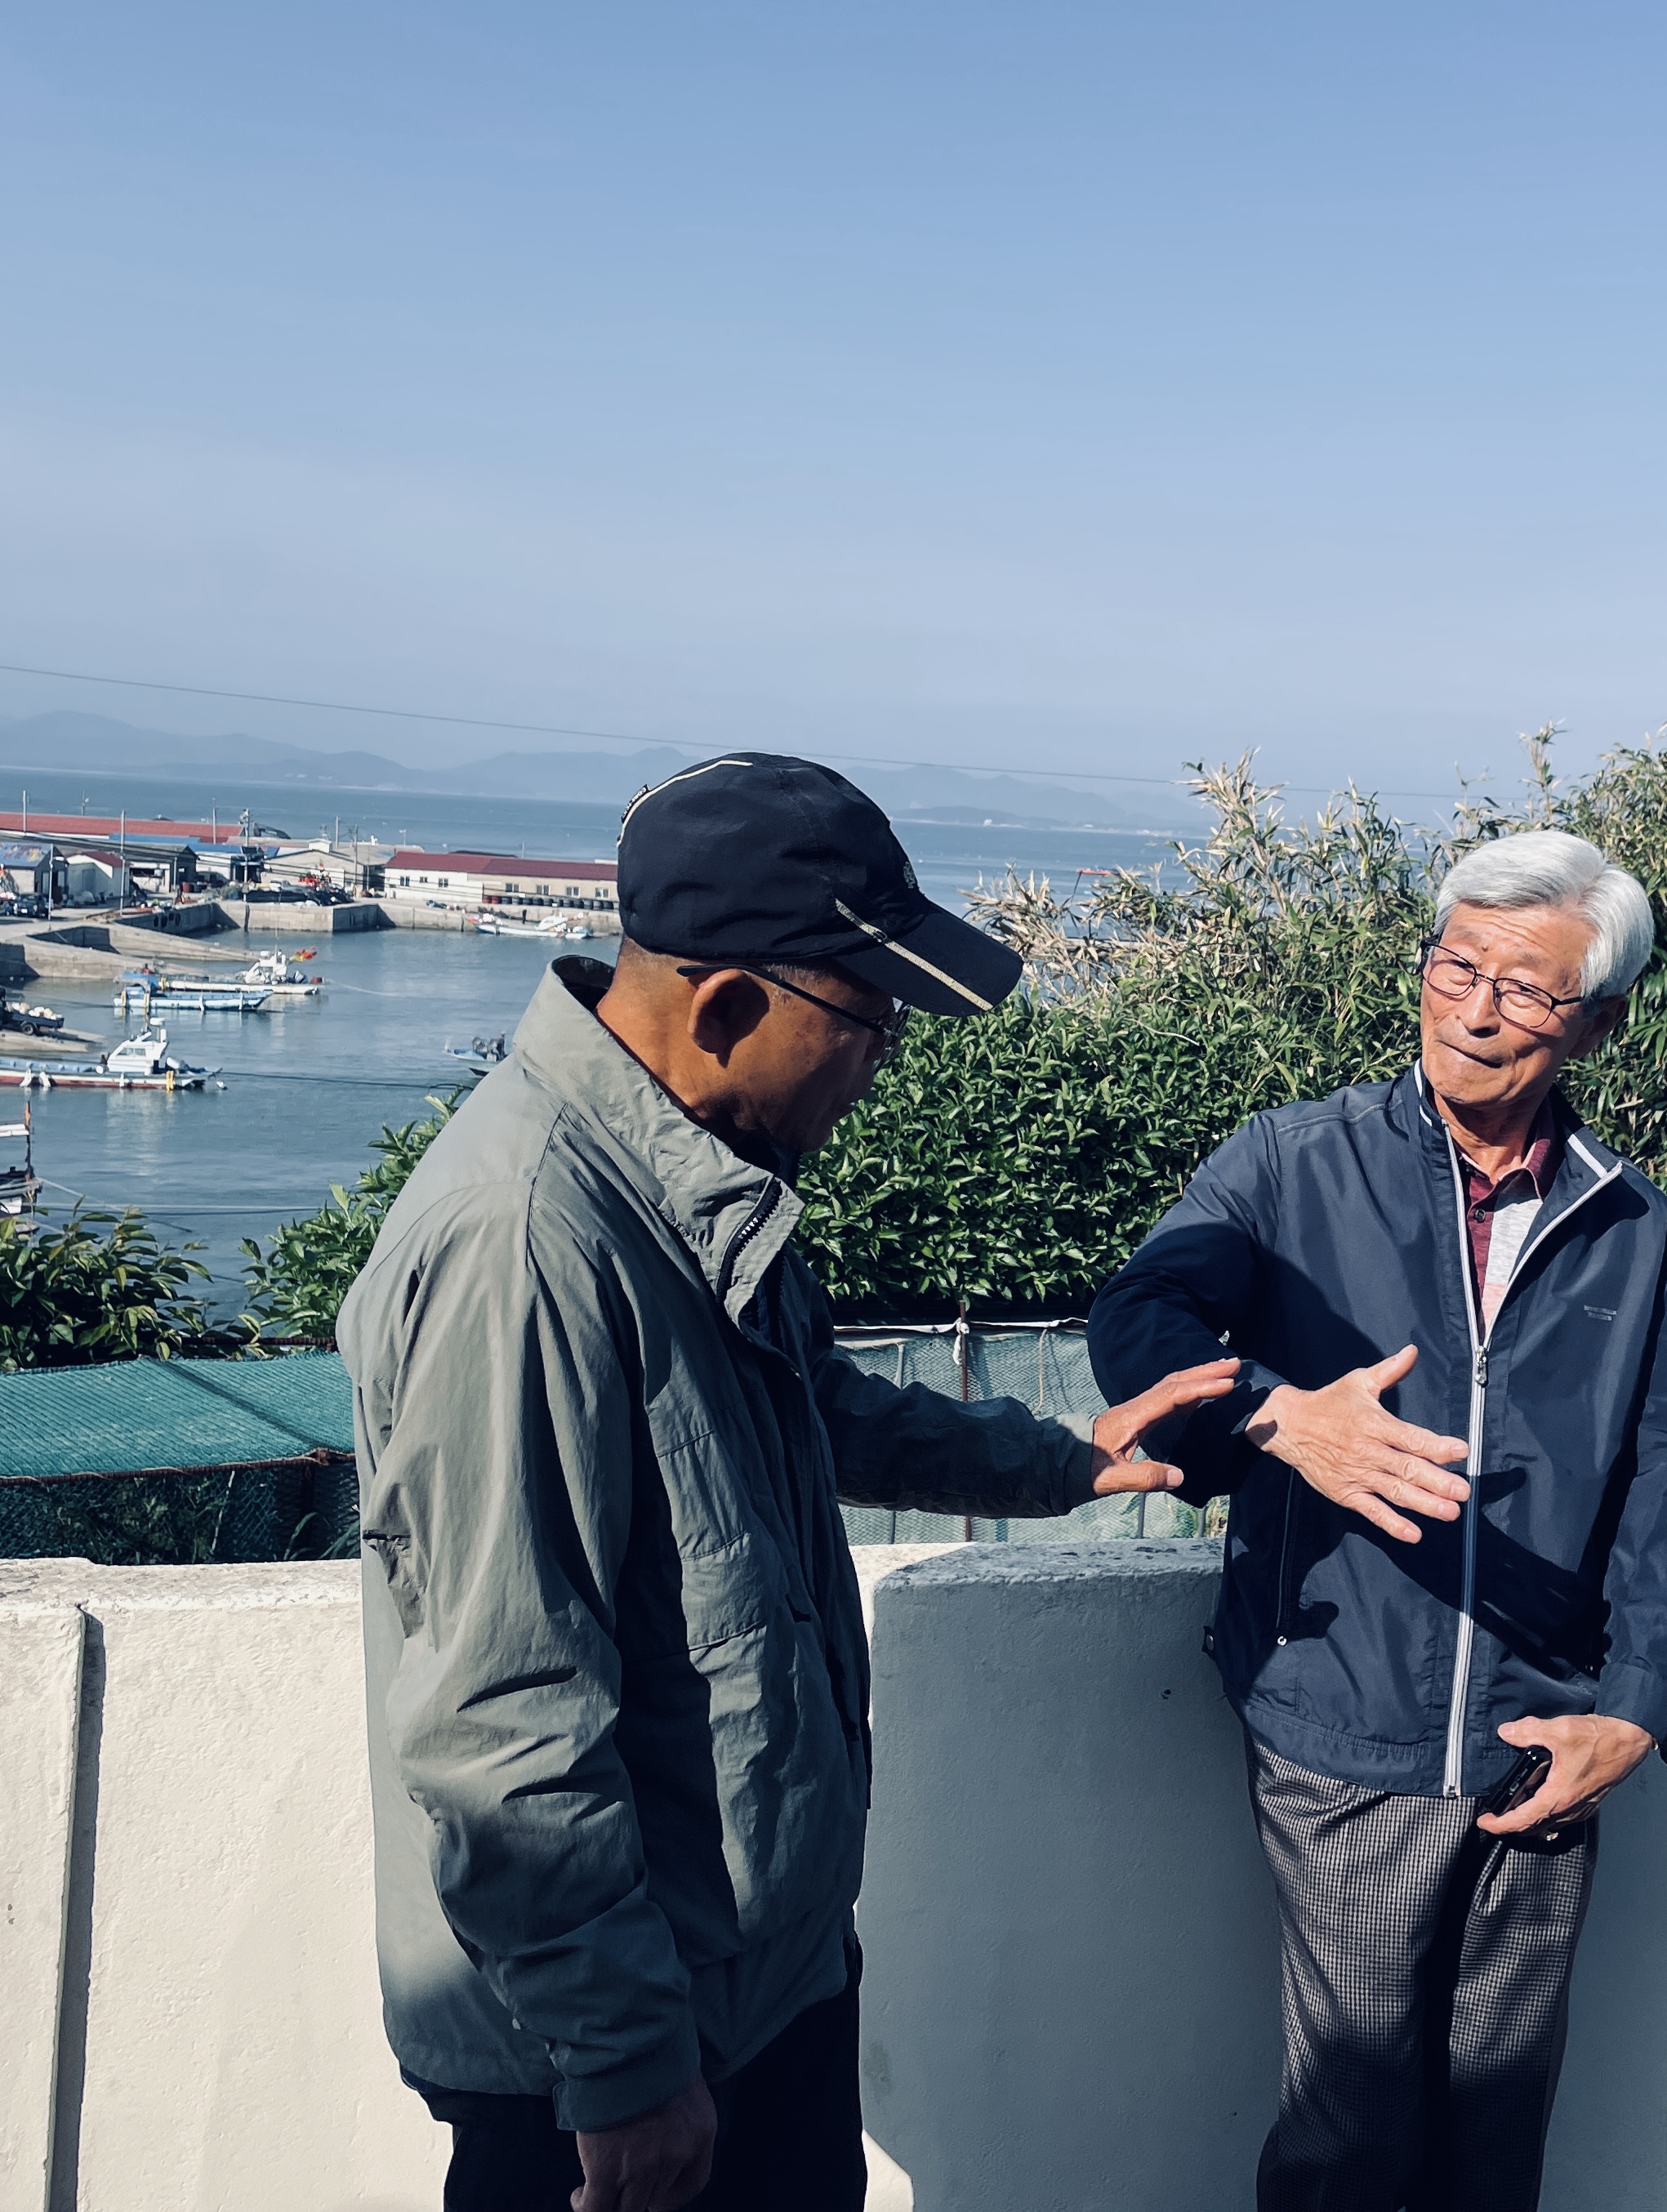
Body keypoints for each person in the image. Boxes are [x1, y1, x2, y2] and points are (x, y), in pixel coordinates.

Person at [341, 753, 1232, 2212]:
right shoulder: (527, 1241)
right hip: (617, 2056)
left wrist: (1063, 1457)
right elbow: (499, 1710)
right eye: (869, 1019)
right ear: (725, 1006)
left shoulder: (689, 1175)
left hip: (758, 1984)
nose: (881, 1063)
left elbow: (809, 1409)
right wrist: (625, 2064)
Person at [1088, 829, 1667, 2212]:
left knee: (1495, 2140)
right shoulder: (1292, 1161)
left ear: (1597, 1023)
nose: (1474, 1010)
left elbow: (1664, 1473)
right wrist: (1274, 1415)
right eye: (1455, 966)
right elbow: (1140, 1316)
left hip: (1540, 1739)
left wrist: (1635, 1706)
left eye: (1526, 988)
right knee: (1351, 2139)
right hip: (1339, 1724)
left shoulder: (1631, 1224)